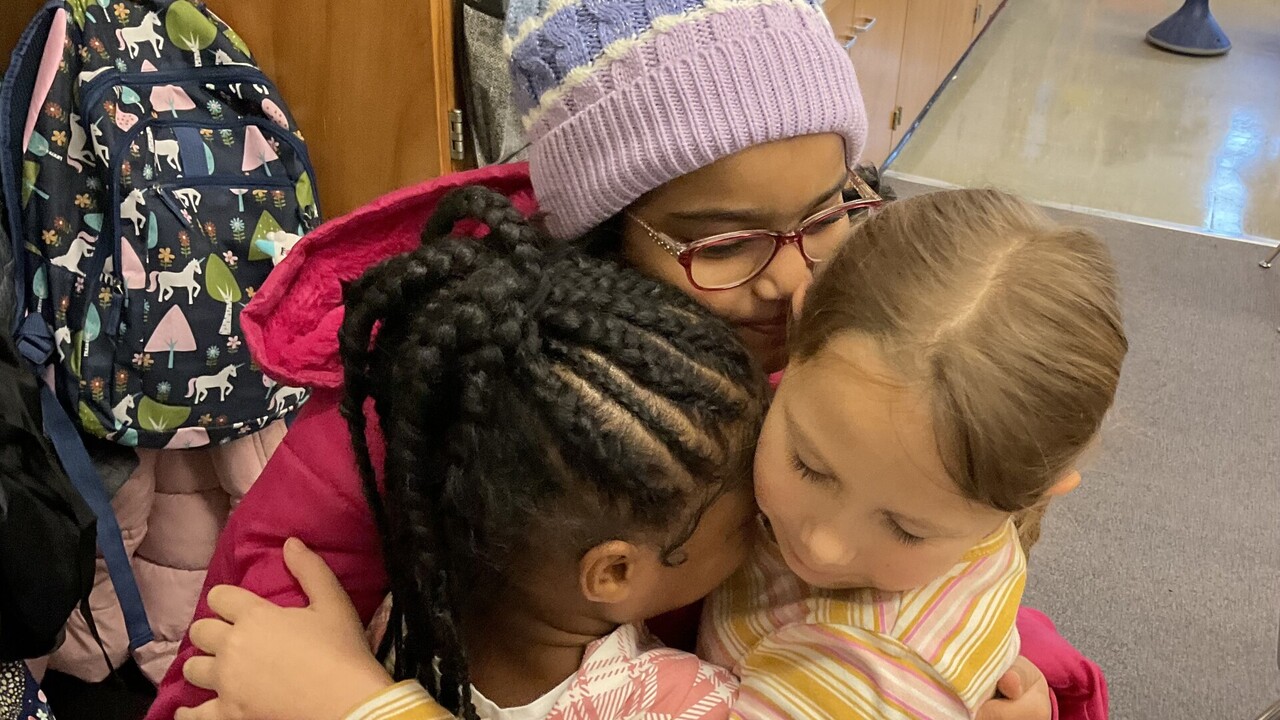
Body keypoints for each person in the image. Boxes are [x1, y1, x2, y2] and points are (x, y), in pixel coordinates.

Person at [149, 0, 1074, 717]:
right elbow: (227, 673)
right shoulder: (433, 416)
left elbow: (935, 570)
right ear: (594, 237)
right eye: (725, 243)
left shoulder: (829, 360)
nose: (795, 283)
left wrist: (1023, 685)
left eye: (829, 212)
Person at [700, 189, 1126, 718]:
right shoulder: (859, 403)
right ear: (798, 324)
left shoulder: (877, 671)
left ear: (1035, 493)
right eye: (808, 466)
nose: (822, 547)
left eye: (906, 530)